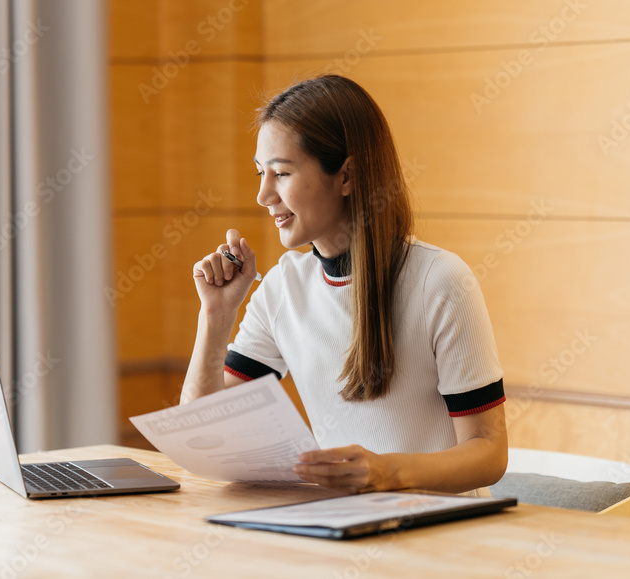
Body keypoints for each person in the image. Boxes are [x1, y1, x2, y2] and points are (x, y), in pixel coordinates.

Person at [182, 74, 507, 495]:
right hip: (339, 528)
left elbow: (489, 451)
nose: (263, 195)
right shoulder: (283, 288)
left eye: (280, 173)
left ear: (347, 176)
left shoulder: (440, 281)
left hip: (437, 533)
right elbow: (202, 436)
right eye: (260, 173)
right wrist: (216, 314)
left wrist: (386, 473)